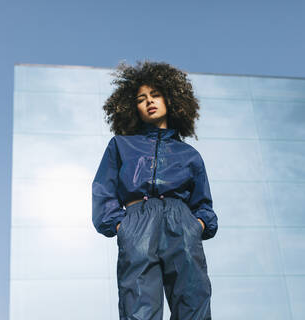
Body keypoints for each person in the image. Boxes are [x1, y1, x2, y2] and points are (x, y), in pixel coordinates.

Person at [92, 60, 218, 320]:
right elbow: (104, 190)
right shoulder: (120, 145)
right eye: (141, 98)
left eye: (156, 94)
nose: (149, 101)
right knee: (138, 306)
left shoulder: (189, 154)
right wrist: (120, 226)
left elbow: (203, 204)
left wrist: (197, 226)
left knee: (193, 303)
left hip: (181, 223)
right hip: (137, 222)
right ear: (132, 107)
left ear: (170, 99)